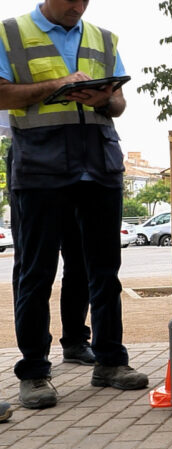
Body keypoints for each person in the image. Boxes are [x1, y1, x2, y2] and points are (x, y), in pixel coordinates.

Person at [0, 0, 149, 409]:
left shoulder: (103, 38)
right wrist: (58, 85)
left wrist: (105, 98)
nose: (78, 7)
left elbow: (120, 103)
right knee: (36, 271)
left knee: (104, 269)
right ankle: (34, 372)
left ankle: (110, 360)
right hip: (40, 165)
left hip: (99, 162)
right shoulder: (10, 34)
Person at [3, 115, 94, 366]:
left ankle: (76, 340)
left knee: (80, 256)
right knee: (32, 262)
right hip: (31, 151)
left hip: (79, 153)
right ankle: (34, 353)